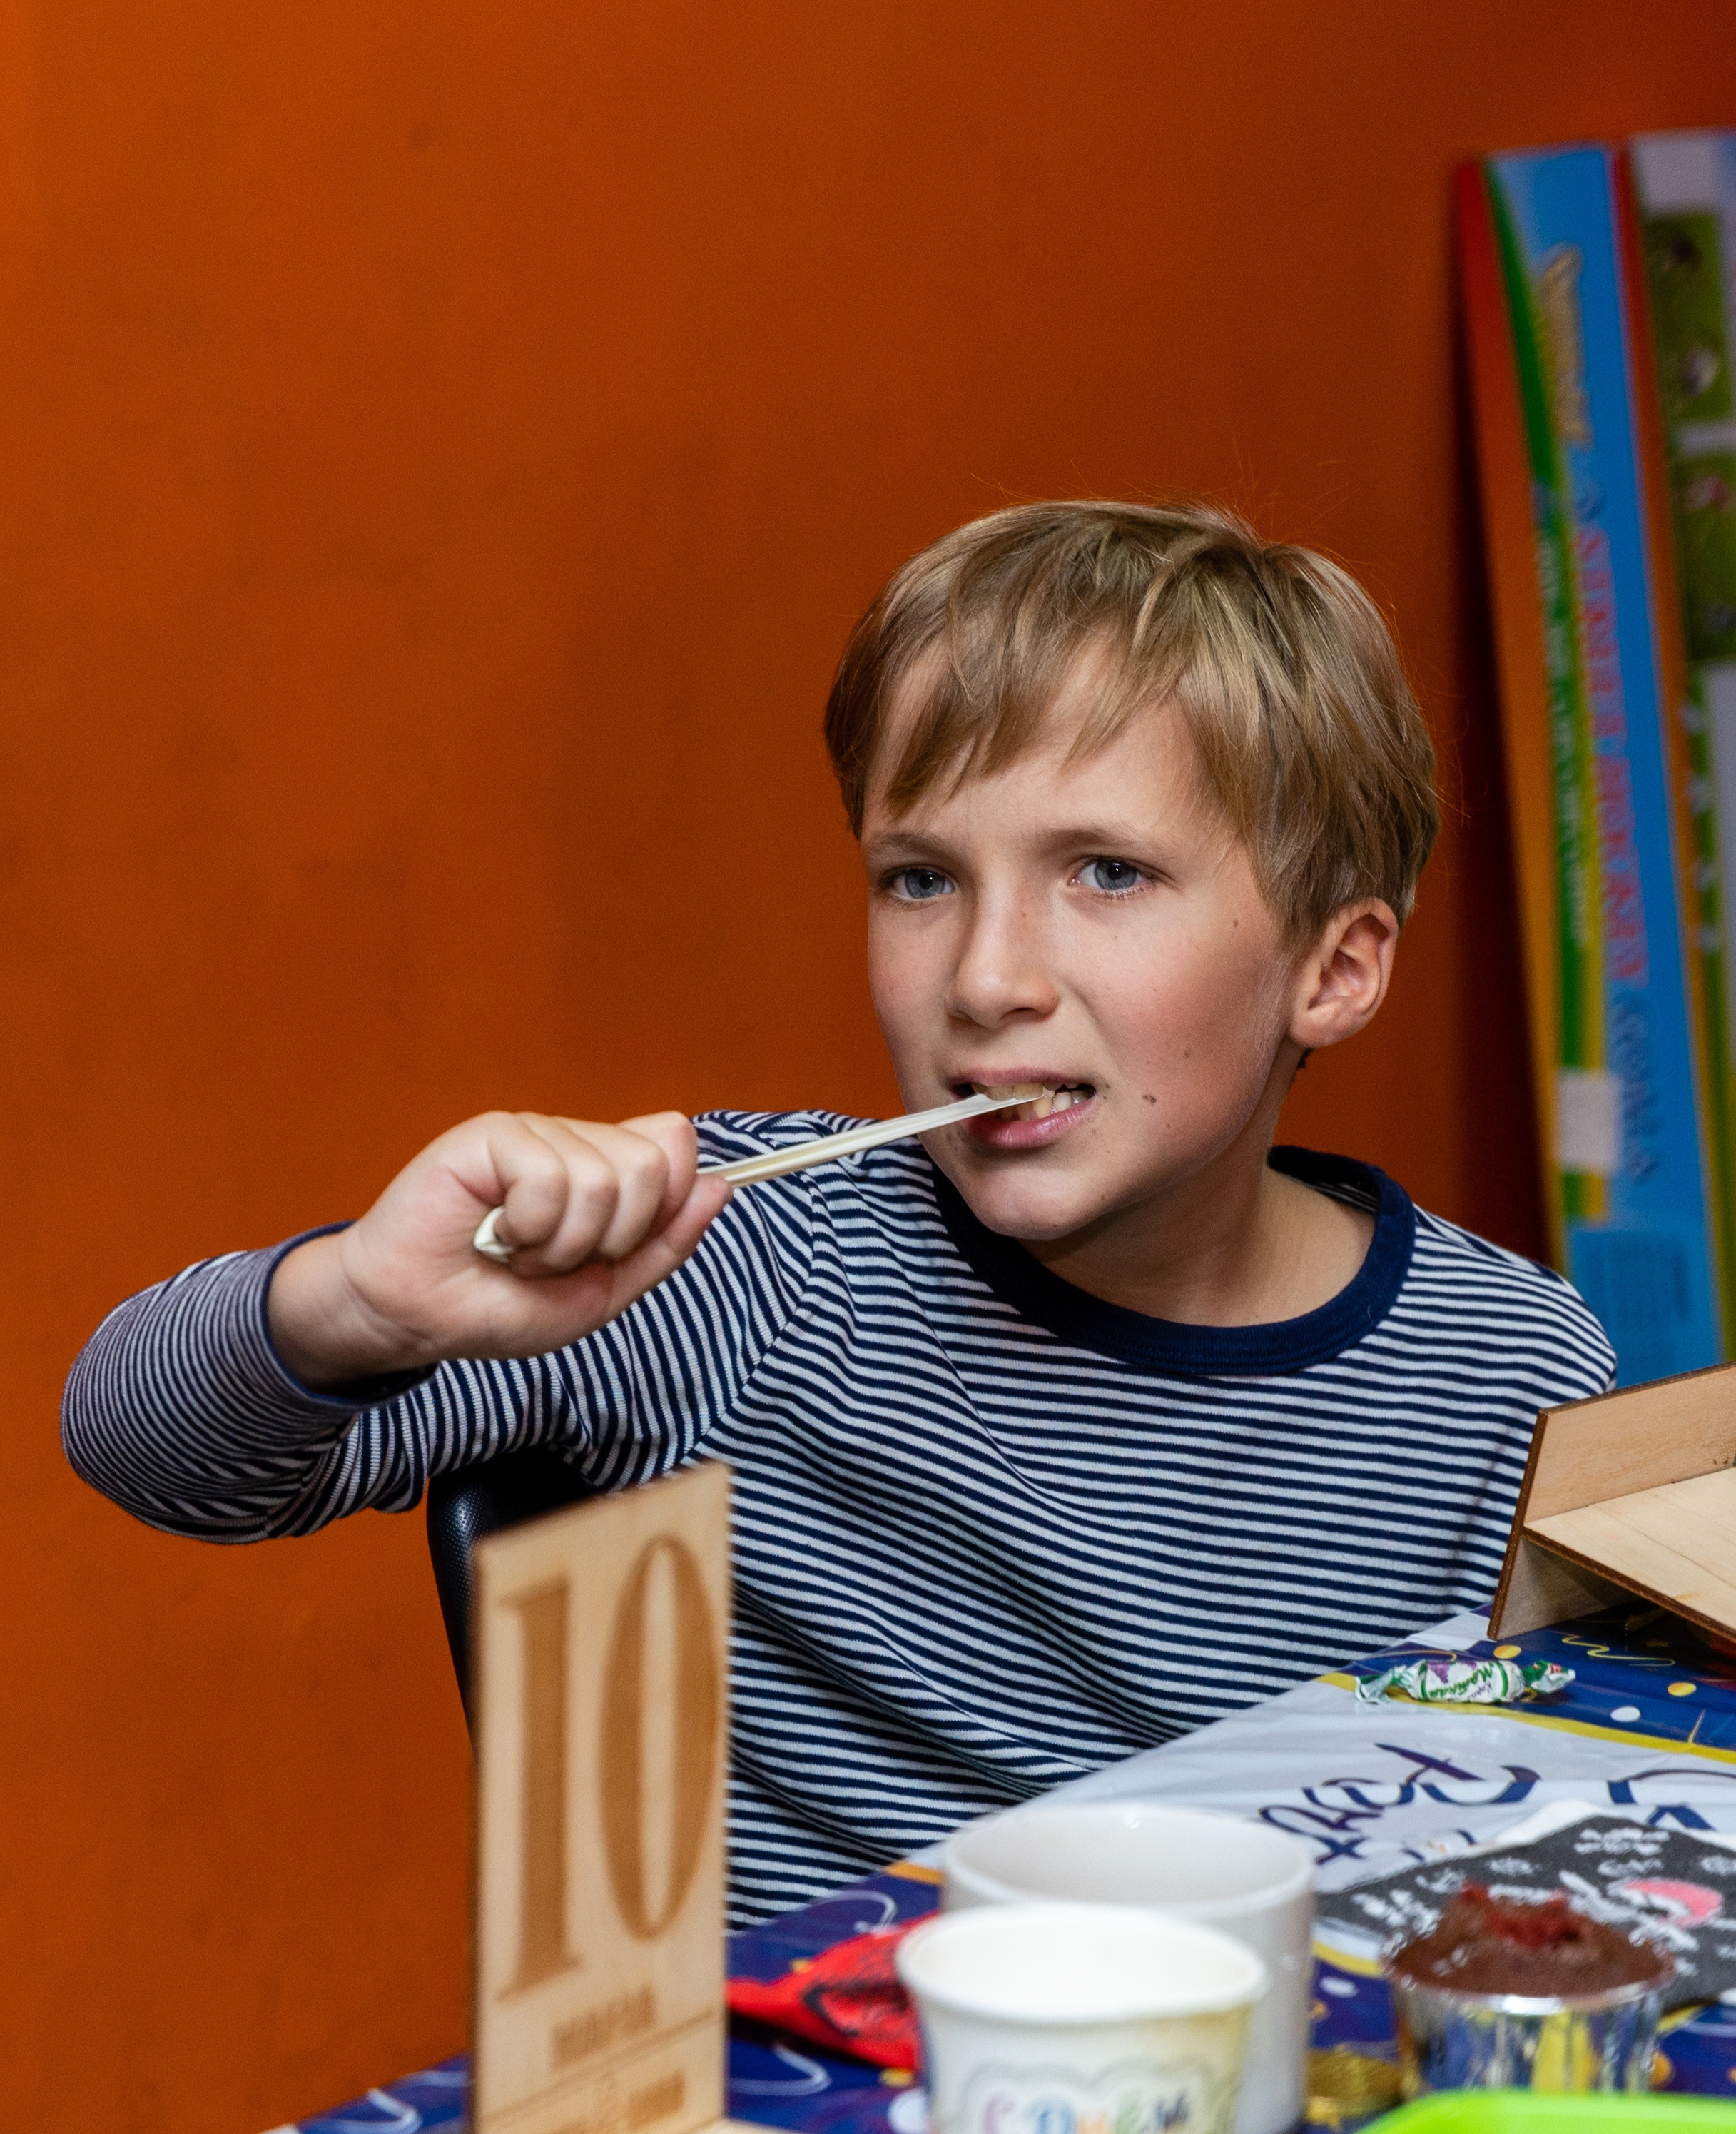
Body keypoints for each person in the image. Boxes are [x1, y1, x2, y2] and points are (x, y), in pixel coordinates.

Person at [64, 501, 1612, 1923]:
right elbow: (141, 1447)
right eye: (919, 879)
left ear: (1330, 970)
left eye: (1105, 872)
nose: (987, 978)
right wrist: (360, 1307)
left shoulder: (1515, 1375)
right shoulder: (741, 1263)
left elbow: (1542, 1842)